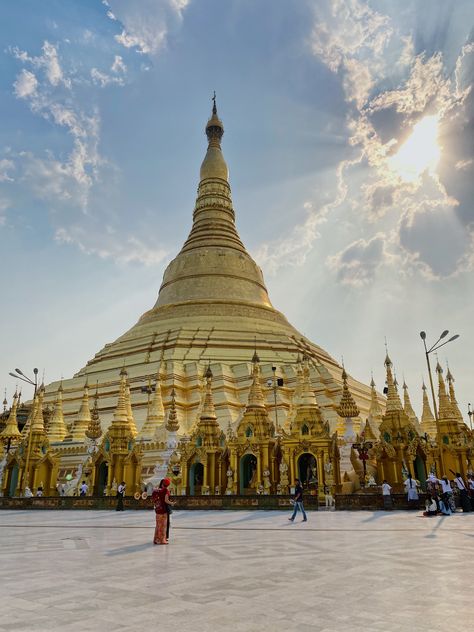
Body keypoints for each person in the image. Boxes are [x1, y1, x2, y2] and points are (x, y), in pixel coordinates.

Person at [152, 478, 175, 544]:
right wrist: (172, 503)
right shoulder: (165, 491)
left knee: (158, 525)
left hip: (157, 510)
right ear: (168, 485)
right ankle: (162, 540)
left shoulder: (155, 490)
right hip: (163, 510)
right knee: (163, 525)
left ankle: (156, 539)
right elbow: (166, 500)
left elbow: (154, 500)